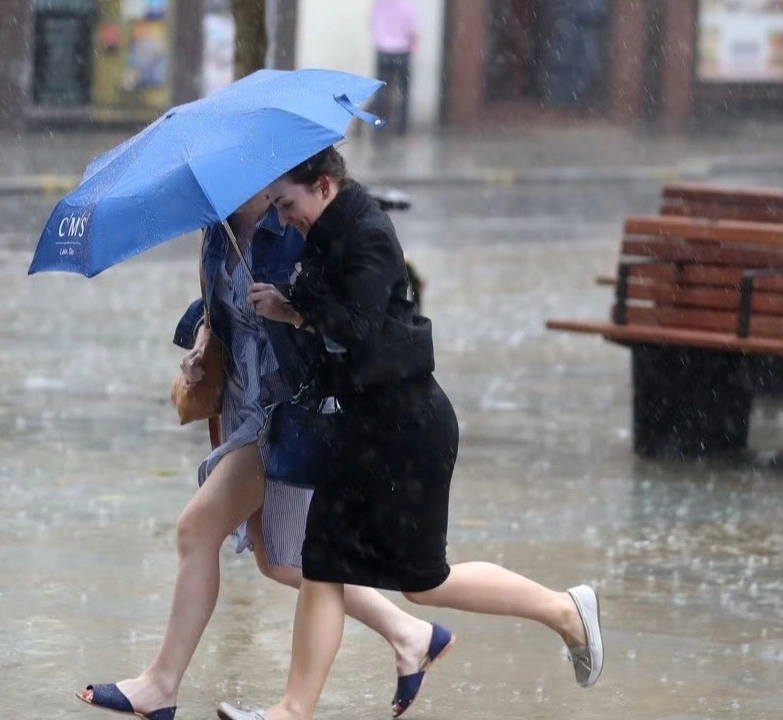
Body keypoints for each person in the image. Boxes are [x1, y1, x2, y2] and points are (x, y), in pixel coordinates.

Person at [222, 147, 605, 720]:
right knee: (322, 563)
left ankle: (565, 611)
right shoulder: (324, 231)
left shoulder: (369, 232)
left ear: (323, 185)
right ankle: (291, 711)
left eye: (288, 203)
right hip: (356, 426)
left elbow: (359, 325)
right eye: (276, 206)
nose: (283, 217)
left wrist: (294, 311)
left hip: (407, 429)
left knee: (423, 582)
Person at [77, 190, 450, 720]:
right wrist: (203, 344)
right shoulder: (216, 228)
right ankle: (411, 633)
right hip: (242, 400)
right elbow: (217, 307)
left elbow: (344, 314)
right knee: (279, 562)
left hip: (286, 407)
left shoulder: (296, 228)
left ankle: (159, 686)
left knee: (197, 529)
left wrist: (290, 309)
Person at [370, 0, 418, 135]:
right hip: (402, 52)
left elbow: (372, 22)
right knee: (404, 92)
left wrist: (381, 40)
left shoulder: (379, 4)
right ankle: (401, 128)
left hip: (383, 51)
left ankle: (377, 124)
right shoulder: (406, 4)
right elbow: (412, 28)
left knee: (381, 90)